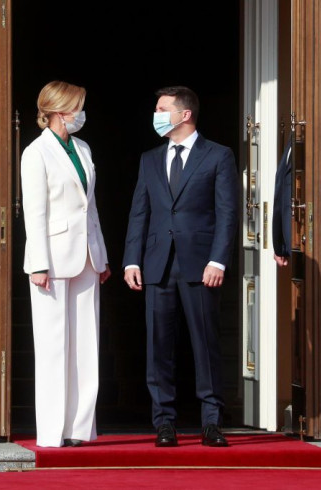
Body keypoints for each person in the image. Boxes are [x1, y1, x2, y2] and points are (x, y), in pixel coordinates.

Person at [123, 86, 238, 447]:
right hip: (157, 265)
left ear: (184, 114)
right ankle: (164, 422)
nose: (156, 114)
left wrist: (218, 259)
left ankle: (211, 421)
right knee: (158, 346)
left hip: (201, 265)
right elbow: (139, 212)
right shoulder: (149, 159)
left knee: (205, 343)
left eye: (162, 108)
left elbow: (227, 213)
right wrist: (131, 260)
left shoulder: (218, 156)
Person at [21, 80, 111, 448]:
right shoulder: (36, 152)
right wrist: (37, 263)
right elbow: (34, 213)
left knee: (86, 344)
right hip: (53, 259)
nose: (81, 114)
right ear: (59, 111)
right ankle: (52, 431)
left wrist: (101, 255)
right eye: (77, 107)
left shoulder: (83, 147)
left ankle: (79, 428)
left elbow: (91, 208)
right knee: (53, 345)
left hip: (87, 255)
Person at [272, 137, 293, 267]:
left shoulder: (307, 138)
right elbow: (282, 194)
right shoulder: (292, 139)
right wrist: (280, 246)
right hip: (292, 246)